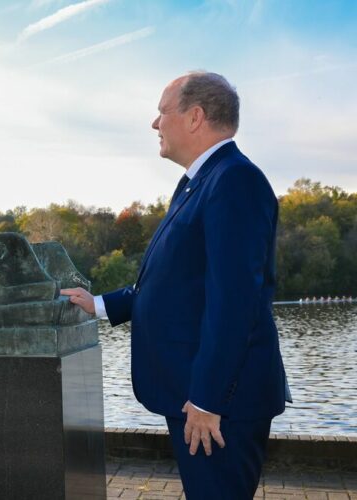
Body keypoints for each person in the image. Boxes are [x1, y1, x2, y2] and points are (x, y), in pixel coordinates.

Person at [62, 72, 290, 498]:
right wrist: (101, 304)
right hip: (200, 398)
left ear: (194, 117)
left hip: (219, 405)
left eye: (162, 112)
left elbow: (234, 302)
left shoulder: (234, 181)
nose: (155, 124)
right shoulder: (198, 184)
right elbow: (177, 283)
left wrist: (207, 400)